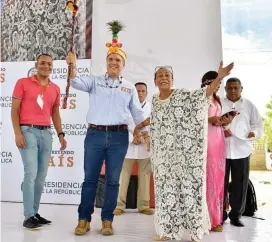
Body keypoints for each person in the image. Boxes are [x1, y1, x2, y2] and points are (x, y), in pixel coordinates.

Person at [66, 21, 150, 236]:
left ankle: (107, 220)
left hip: (119, 137)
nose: (114, 62)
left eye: (118, 60)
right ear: (106, 62)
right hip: (94, 135)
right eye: (111, 59)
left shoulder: (129, 87)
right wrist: (72, 66)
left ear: (123, 65)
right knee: (90, 180)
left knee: (113, 180)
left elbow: (137, 114)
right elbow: (75, 83)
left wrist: (146, 132)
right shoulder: (94, 82)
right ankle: (83, 219)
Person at [149, 62, 234, 242]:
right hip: (165, 157)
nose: (164, 78)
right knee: (166, 191)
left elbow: (205, 93)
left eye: (167, 75)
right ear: (155, 81)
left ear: (173, 80)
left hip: (187, 155)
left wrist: (219, 77)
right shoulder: (155, 100)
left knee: (191, 189)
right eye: (160, 76)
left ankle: (195, 232)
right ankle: (167, 230)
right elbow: (157, 126)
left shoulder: (182, 95)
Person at [11, 53, 67, 230]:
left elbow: (55, 114)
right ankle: (28, 216)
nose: (46, 66)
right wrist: (17, 133)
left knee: (41, 178)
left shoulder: (55, 88)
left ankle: (34, 212)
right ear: (36, 64)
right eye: (42, 63)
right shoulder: (23, 82)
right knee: (31, 174)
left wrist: (61, 134)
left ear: (52, 67)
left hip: (46, 133)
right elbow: (14, 110)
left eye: (49, 64)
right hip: (27, 131)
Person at [222, 77, 263, 227]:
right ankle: (220, 215)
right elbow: (212, 124)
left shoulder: (249, 105)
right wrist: (221, 132)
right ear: (225, 89)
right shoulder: (219, 103)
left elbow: (258, 125)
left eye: (236, 88)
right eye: (230, 88)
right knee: (221, 185)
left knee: (241, 184)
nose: (233, 90)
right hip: (222, 150)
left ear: (241, 89)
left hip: (242, 150)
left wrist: (254, 133)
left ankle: (236, 216)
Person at [114, 82, 153, 216]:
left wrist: (143, 137)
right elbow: (124, 124)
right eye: (138, 91)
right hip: (128, 146)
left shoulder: (152, 107)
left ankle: (143, 205)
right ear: (134, 93)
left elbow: (153, 126)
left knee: (145, 177)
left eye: (143, 91)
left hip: (145, 147)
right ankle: (119, 205)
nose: (140, 93)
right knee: (123, 176)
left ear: (146, 93)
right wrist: (133, 137)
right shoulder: (126, 107)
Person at [201, 71, 232, 233]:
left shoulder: (217, 99)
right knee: (209, 181)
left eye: (219, 83)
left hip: (219, 141)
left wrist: (224, 122)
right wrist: (209, 120)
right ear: (208, 82)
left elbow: (216, 119)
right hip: (207, 142)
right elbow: (193, 119)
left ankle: (217, 218)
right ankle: (209, 220)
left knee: (219, 180)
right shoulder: (201, 97)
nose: (218, 85)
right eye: (216, 82)